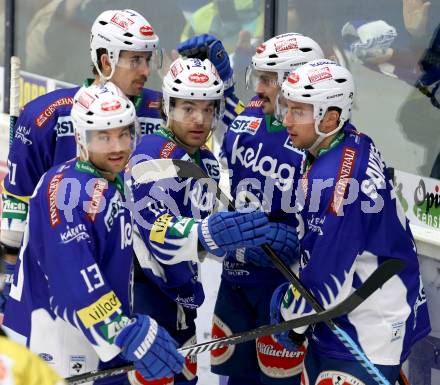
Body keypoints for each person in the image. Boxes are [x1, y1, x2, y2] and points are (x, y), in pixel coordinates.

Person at [3, 83, 184, 384]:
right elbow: (72, 275)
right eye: (104, 137)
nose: (117, 147)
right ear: (80, 138)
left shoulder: (113, 181)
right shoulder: (68, 190)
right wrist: (121, 330)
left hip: (82, 346)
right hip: (50, 348)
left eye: (123, 134)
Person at [270, 59, 431, 384]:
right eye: (287, 108)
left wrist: (288, 315)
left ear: (330, 118)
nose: (287, 120)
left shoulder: (335, 183)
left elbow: (324, 285)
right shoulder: (352, 141)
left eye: (299, 111)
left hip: (363, 331)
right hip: (363, 316)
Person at [177, 33, 324, 385]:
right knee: (231, 377)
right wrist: (223, 82)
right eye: (257, 77)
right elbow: (226, 122)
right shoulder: (250, 117)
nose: (258, 88)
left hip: (283, 288)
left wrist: (295, 241)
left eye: (268, 80)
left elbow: (331, 223)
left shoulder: (317, 138)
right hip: (234, 281)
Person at [0, 8, 163, 318]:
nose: (145, 70)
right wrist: (9, 281)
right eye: (135, 60)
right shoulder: (46, 115)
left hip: (140, 282)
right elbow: (16, 213)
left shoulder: (162, 112)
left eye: (148, 59)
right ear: (105, 61)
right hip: (59, 285)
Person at [129, 56, 273, 385]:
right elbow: (156, 228)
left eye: (209, 110)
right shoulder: (153, 154)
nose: (200, 120)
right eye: (188, 108)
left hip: (181, 301)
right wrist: (209, 232)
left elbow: (205, 232)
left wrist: (242, 240)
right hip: (145, 302)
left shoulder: (205, 161)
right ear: (167, 107)